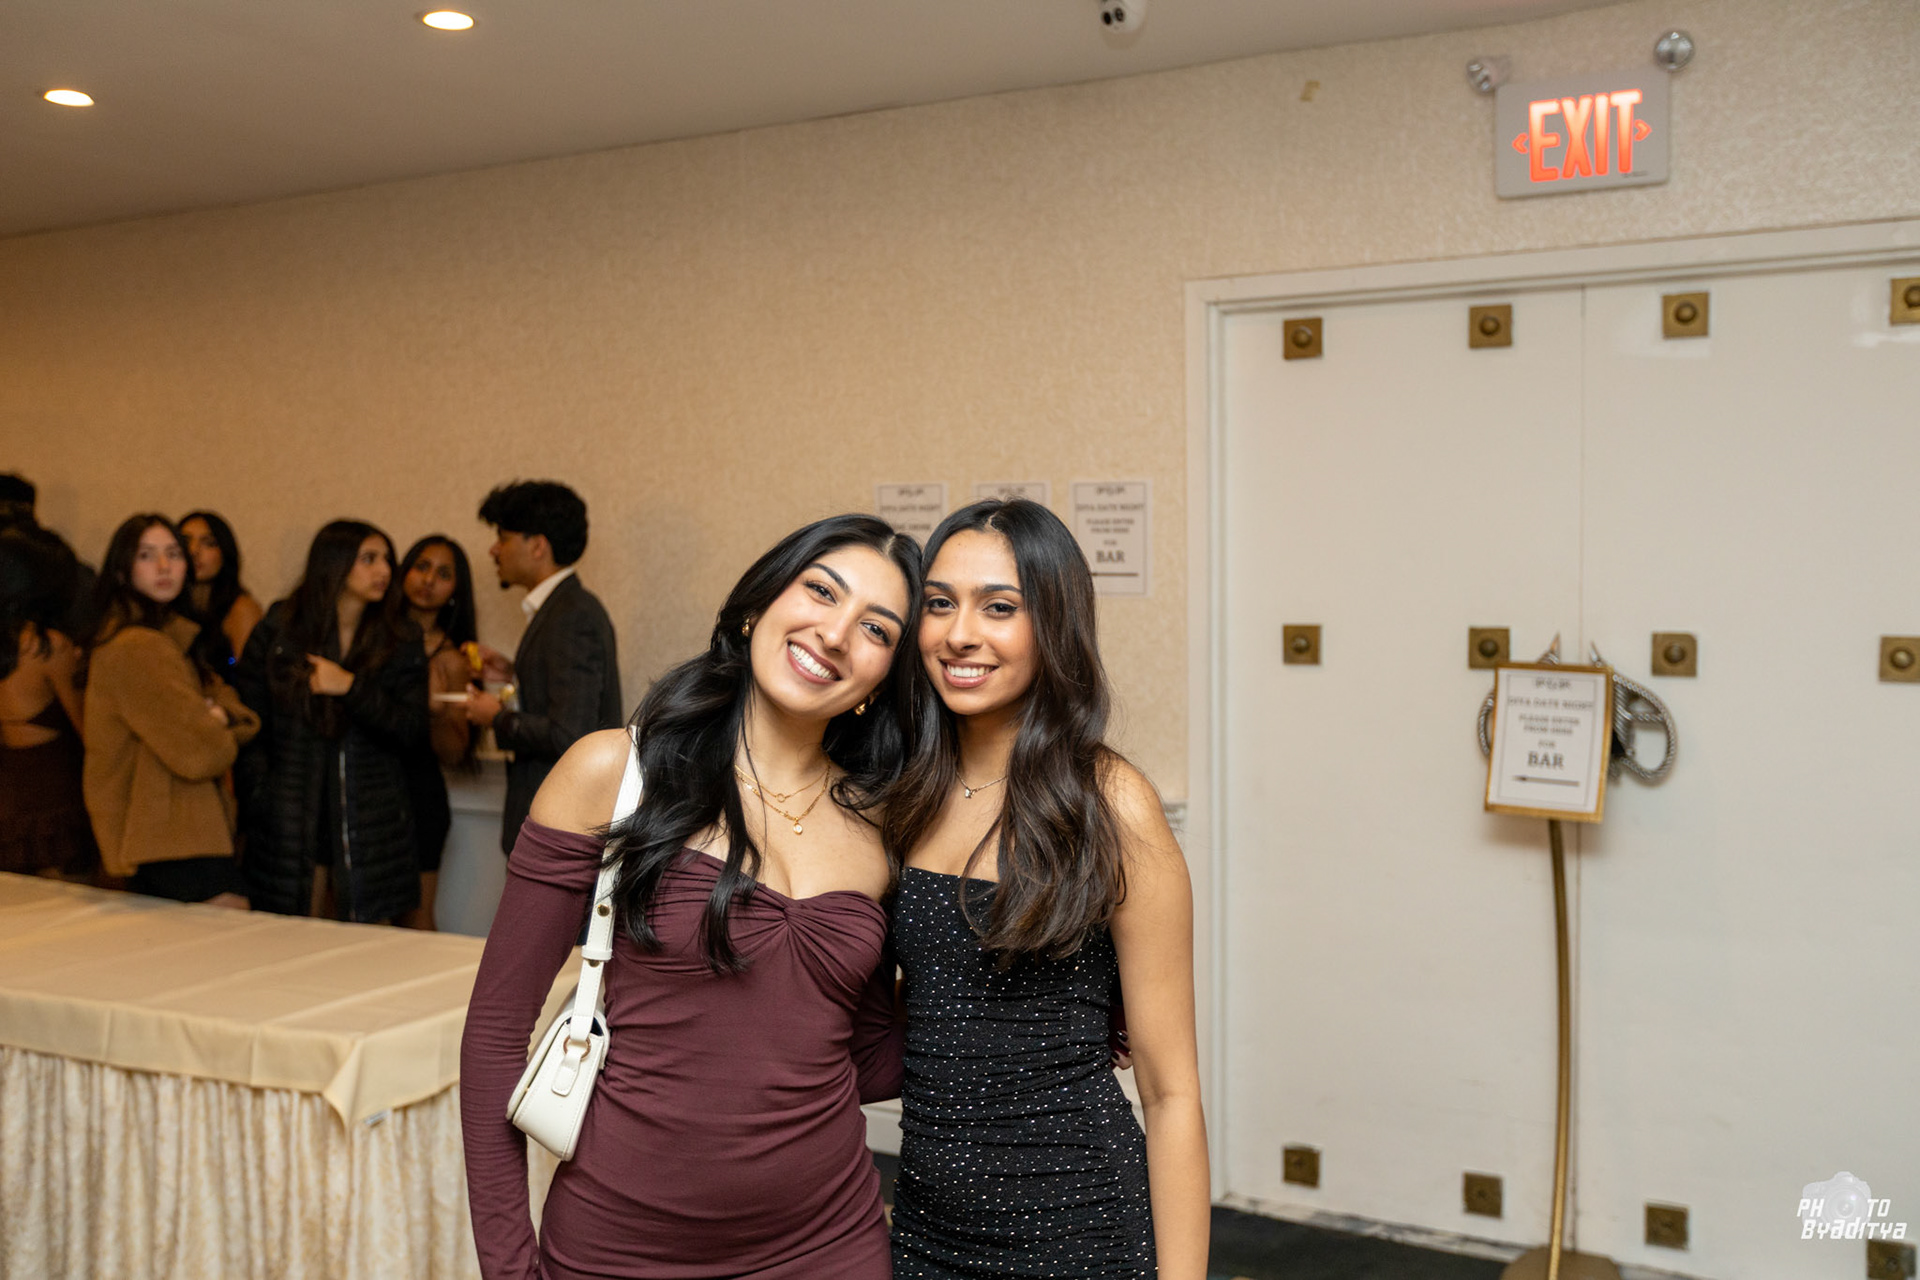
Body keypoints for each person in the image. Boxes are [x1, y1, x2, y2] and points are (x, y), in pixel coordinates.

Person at [461, 514, 922, 1280]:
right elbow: (495, 1035)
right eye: (820, 591)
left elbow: (866, 1059)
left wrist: (1041, 1001)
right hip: (623, 1250)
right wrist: (509, 1270)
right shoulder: (613, 772)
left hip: (831, 1244)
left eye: (876, 628)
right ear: (757, 606)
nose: (837, 633)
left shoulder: (882, 825)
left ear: (883, 679)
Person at [883, 498, 1210, 1280]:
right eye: (940, 604)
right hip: (925, 1227)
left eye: (1000, 608)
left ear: (1055, 625)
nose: (960, 634)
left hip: (1077, 1225)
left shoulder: (1109, 801)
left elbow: (1170, 1093)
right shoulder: (903, 791)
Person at [234, 520, 427, 923]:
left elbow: (411, 728)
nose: (384, 571)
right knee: (290, 936)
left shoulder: (400, 636)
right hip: (290, 811)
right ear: (334, 564)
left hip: (369, 814)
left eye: (386, 560)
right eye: (368, 559)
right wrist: (261, 794)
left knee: (365, 940)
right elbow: (250, 721)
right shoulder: (280, 628)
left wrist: (350, 687)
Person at [81, 516, 259, 906]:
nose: (164, 567)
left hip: (172, 827)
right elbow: (202, 753)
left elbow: (241, 713)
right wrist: (214, 720)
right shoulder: (138, 646)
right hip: (165, 830)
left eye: (174, 554)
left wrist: (218, 717)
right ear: (123, 570)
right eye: (147, 556)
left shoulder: (172, 637)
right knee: (230, 918)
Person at [466, 480, 623, 856]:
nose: (494, 550)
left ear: (537, 546)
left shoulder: (571, 616)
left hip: (560, 832)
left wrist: (496, 718)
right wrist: (515, 674)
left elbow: (571, 733)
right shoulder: (563, 609)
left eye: (503, 538)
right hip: (558, 826)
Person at [0, 528, 99, 879]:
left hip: (9, 799)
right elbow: (90, 730)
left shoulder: (13, 644)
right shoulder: (47, 645)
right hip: (56, 801)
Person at [396, 534, 480, 929]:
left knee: (416, 915)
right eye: (422, 566)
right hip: (364, 789)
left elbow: (454, 751)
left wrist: (437, 709)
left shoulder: (451, 658)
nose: (428, 580)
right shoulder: (372, 637)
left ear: (455, 592)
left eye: (443, 574)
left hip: (418, 794)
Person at [178, 510, 265, 673]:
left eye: (209, 543)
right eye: (185, 541)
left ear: (225, 553)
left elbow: (250, 679)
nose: (194, 551)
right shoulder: (167, 607)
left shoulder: (241, 609)